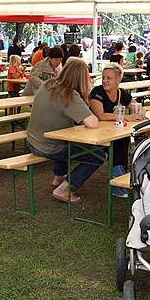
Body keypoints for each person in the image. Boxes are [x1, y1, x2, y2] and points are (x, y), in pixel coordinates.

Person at [27, 57, 102, 203]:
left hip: (32, 141)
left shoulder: (48, 84)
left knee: (64, 137)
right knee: (97, 155)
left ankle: (59, 177)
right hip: (49, 146)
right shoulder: (69, 94)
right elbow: (92, 123)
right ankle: (64, 189)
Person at [89, 63, 146, 198]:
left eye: (109, 78)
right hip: (93, 133)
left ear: (118, 80)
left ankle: (120, 177)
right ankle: (118, 180)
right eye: (103, 77)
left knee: (123, 139)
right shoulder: (97, 92)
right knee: (119, 142)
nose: (105, 81)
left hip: (113, 132)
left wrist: (140, 111)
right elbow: (100, 115)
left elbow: (135, 106)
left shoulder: (121, 93)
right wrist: (128, 116)